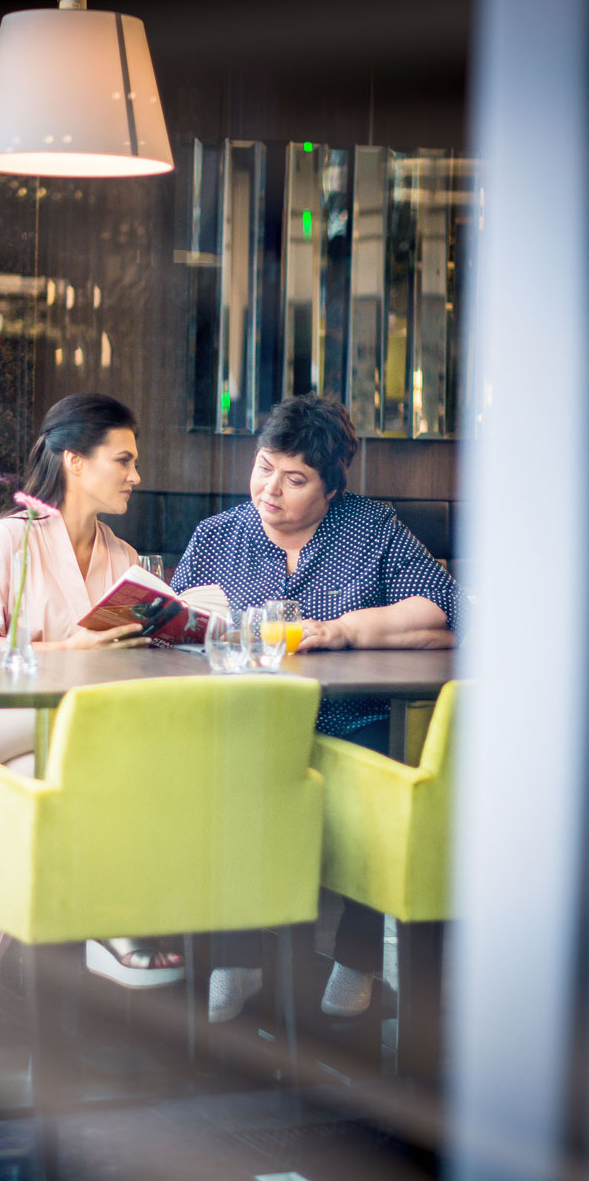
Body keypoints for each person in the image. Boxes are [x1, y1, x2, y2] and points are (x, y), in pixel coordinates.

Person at [171, 392, 468, 1023]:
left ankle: (357, 960)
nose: (270, 489)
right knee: (229, 777)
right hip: (248, 721)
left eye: (295, 478)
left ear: (331, 490)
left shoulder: (372, 528)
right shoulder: (217, 537)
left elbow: (443, 612)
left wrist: (342, 629)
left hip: (351, 722)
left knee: (378, 778)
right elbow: (164, 627)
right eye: (263, 467)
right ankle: (237, 955)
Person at [0, 392, 184, 1047]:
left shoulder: (123, 561)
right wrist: (69, 654)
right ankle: (109, 907)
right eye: (122, 460)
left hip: (51, 746)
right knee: (77, 751)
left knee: (51, 770)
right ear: (73, 460)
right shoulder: (4, 546)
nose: (135, 475)